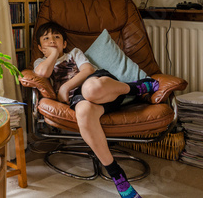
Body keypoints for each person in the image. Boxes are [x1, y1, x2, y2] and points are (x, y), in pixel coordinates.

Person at [33, 22, 159, 198]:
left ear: (65, 43)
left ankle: (132, 88)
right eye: (46, 39)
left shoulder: (74, 53)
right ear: (40, 47)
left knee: (90, 90)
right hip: (81, 100)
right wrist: (53, 54)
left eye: (56, 38)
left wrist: (65, 87)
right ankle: (117, 175)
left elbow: (88, 70)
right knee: (82, 113)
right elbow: (42, 74)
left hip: (101, 85)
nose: (52, 41)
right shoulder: (40, 62)